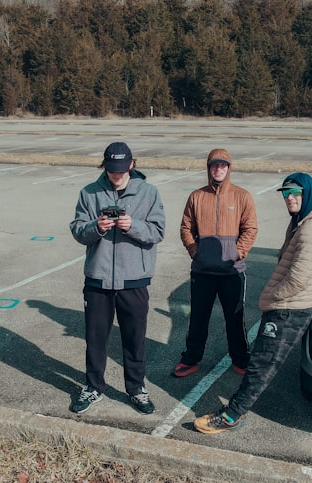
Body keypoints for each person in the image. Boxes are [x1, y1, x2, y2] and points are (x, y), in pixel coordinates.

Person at [194, 172, 312, 433]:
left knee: (262, 363)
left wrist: (272, 298)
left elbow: (299, 277)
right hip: (288, 304)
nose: (289, 198)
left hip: (289, 309)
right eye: (286, 193)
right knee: (262, 360)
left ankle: (231, 416)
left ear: (308, 193)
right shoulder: (301, 221)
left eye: (295, 192)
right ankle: (235, 411)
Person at [69, 142, 166, 415]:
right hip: (98, 280)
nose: (116, 175)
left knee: (135, 338)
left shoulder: (149, 193)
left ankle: (136, 389)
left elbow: (158, 231)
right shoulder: (89, 193)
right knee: (96, 338)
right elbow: (77, 230)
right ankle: (93, 387)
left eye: (121, 170)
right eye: (112, 170)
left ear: (132, 165)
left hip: (134, 279)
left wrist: (132, 226)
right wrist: (95, 227)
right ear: (105, 166)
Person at [172, 149, 258, 379]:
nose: (218, 169)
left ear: (229, 168)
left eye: (223, 165)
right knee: (198, 317)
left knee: (235, 319)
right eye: (214, 165)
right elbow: (186, 228)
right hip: (203, 271)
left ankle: (241, 359)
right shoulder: (196, 196)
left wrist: (237, 253)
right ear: (208, 168)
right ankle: (191, 359)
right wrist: (195, 251)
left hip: (232, 272)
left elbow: (250, 229)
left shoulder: (242, 196)